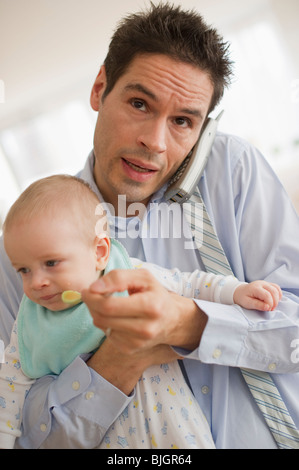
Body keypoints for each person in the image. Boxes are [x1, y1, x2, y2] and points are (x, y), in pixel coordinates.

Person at [0, 3, 298, 449]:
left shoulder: (233, 170)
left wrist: (189, 324)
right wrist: (116, 362)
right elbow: (27, 432)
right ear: (100, 88)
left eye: (182, 121)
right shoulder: (28, 257)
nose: (155, 143)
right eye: (140, 104)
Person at [0, 175, 282, 449]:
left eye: (51, 262)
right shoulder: (29, 325)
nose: (37, 282)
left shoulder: (129, 274)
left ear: (99, 253)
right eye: (23, 270)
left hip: (176, 425)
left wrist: (234, 291)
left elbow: (189, 283)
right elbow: (9, 389)